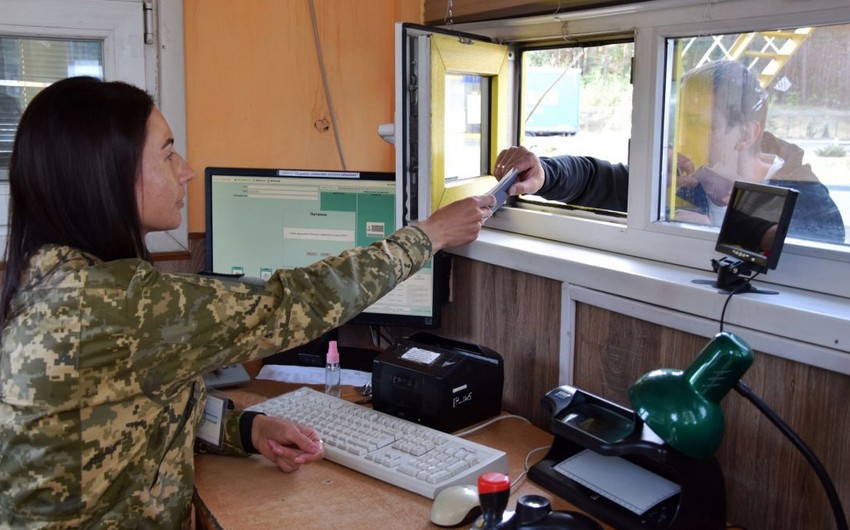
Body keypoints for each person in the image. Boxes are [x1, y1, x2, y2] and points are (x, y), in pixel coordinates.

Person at [0, 76, 495, 529]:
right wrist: (427, 236)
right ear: (105, 177)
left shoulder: (53, 278)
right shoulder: (113, 306)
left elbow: (129, 424)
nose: (187, 171)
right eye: (168, 154)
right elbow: (292, 302)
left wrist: (247, 429)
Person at [494, 60, 845, 244]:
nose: (677, 137)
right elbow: (597, 178)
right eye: (677, 122)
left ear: (745, 134)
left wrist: (716, 233)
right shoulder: (684, 179)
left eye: (696, 123)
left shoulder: (807, 201)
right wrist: (545, 172)